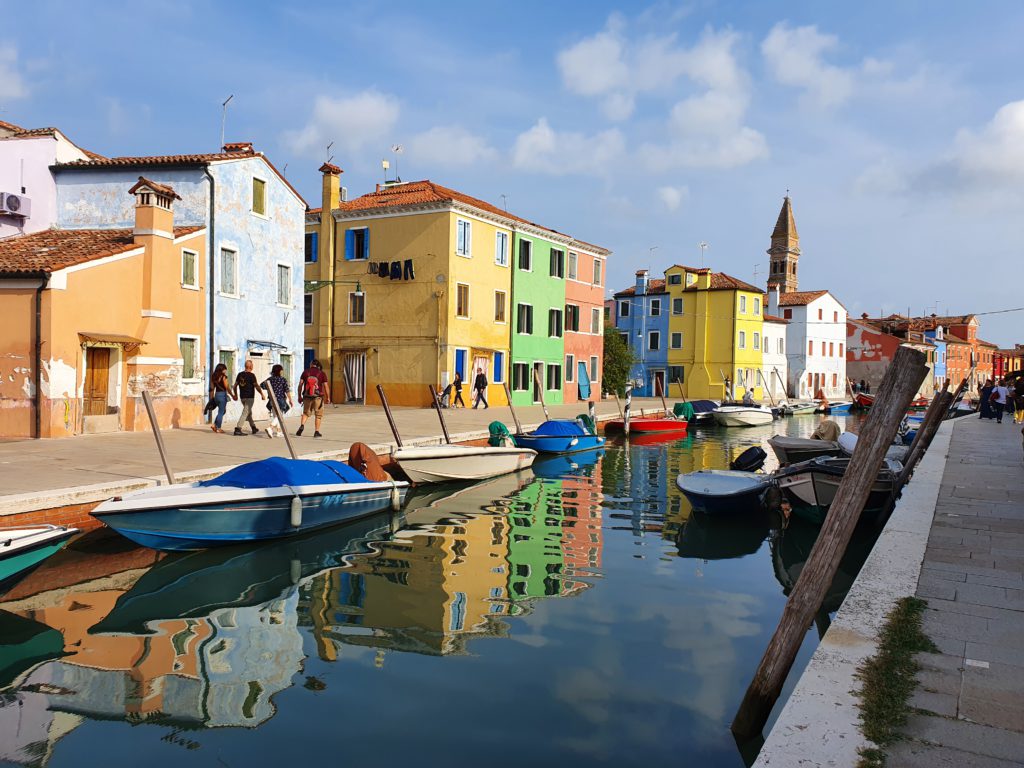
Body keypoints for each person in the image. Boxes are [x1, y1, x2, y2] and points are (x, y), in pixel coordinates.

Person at [297, 359, 330, 437]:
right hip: (318, 397)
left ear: (311, 364)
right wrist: (328, 397)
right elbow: (326, 386)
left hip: (307, 397)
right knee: (318, 415)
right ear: (318, 365)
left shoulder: (305, 372)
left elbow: (300, 385)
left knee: (305, 413)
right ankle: (316, 431)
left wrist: (299, 396)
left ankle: (302, 425)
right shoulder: (322, 373)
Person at [231, 360, 265, 435]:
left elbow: (234, 386)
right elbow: (256, 386)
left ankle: (253, 428)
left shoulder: (240, 374)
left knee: (248, 413)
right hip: (250, 397)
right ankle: (238, 429)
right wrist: (262, 394)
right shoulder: (252, 375)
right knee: (245, 412)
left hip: (242, 397)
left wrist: (236, 395)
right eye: (252, 365)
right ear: (251, 367)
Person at [262, 364, 293, 438]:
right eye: (281, 370)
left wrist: (270, 389)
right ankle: (270, 428)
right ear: (279, 371)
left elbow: (262, 385)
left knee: (276, 415)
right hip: (280, 399)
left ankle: (279, 432)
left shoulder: (270, 379)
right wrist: (290, 400)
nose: (282, 371)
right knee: (279, 416)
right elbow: (287, 390)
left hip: (272, 400)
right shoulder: (282, 379)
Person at [209, 363, 234, 433]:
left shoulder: (213, 376)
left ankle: (214, 425)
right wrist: (232, 395)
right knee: (221, 412)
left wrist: (212, 397)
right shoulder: (223, 377)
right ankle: (218, 428)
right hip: (222, 395)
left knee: (223, 411)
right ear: (222, 369)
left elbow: (212, 387)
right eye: (225, 369)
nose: (226, 370)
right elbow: (227, 387)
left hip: (216, 395)